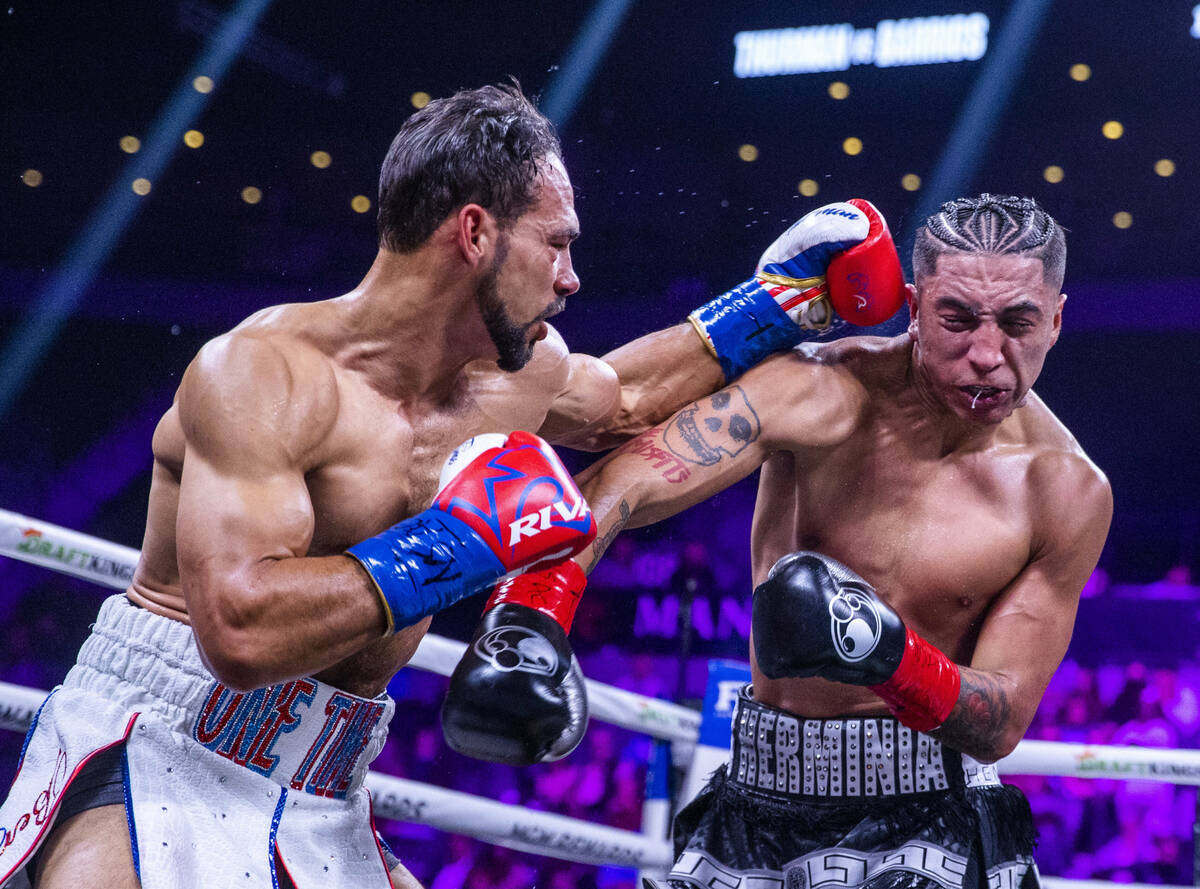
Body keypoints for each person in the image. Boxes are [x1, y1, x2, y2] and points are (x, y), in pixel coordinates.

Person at [0, 80, 903, 889]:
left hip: (325, 782)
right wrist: (462, 540)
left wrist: (783, 303)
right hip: (162, 744)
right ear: (474, 233)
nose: (572, 276)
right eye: (555, 244)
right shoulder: (263, 375)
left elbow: (625, 399)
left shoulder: (519, 374)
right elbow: (238, 627)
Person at [576, 194, 1113, 889]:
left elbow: (1001, 719)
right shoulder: (823, 389)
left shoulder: (1063, 488)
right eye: (956, 318)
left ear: (1057, 319)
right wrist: (537, 602)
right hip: (755, 796)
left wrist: (884, 653)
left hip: (932, 816)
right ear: (914, 306)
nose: (986, 354)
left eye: (1018, 323)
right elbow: (630, 476)